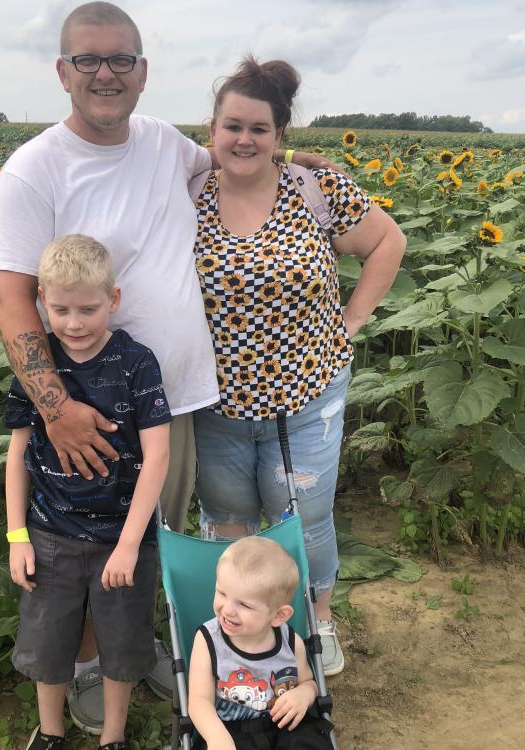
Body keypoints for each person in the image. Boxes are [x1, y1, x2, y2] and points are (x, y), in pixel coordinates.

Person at [0, 2, 337, 728]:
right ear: (62, 72)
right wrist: (56, 408)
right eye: (88, 60)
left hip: (170, 402)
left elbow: (240, 155)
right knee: (82, 546)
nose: (104, 74)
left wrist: (295, 161)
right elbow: (8, 298)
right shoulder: (34, 169)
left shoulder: (167, 145)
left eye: (120, 60)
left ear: (143, 74)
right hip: (84, 410)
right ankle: (83, 672)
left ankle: (146, 660)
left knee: (148, 546)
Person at [192, 57, 407, 677]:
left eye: (259, 129)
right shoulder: (188, 191)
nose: (244, 140)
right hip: (218, 405)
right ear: (212, 131)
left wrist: (352, 319)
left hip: (307, 398)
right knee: (226, 522)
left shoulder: (317, 189)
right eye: (232, 126)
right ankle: (234, 628)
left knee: (305, 521)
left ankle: (317, 625)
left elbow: (387, 241)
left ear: (280, 136)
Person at [5, 234, 171, 750]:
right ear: (41, 304)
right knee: (49, 642)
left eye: (88, 309)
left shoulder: (136, 362)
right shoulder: (37, 371)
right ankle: (50, 733)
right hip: (50, 531)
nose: (73, 323)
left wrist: (129, 543)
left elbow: (158, 456)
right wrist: (16, 535)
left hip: (122, 538)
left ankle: (113, 737)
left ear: (113, 301)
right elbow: (17, 455)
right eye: (60, 309)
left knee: (122, 642)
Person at [188, 536, 333, 749]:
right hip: (230, 729)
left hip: (285, 724)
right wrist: (216, 736)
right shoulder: (208, 640)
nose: (227, 609)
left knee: (309, 742)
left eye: (244, 605)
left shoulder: (291, 643)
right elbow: (199, 701)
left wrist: (305, 694)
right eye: (222, 593)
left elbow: (308, 682)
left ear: (278, 616)